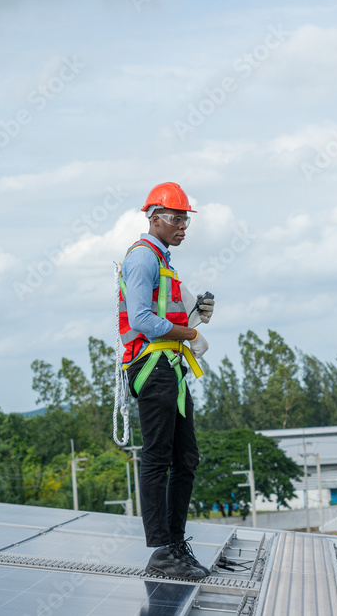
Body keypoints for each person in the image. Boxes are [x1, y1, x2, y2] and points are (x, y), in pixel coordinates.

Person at [118, 181, 215, 580]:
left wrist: (195, 314)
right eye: (176, 218)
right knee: (158, 459)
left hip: (168, 368)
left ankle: (174, 543)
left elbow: (163, 315)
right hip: (153, 368)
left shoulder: (163, 261)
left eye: (185, 219)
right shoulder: (143, 258)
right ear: (154, 218)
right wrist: (191, 335)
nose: (182, 226)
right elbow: (141, 319)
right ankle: (161, 550)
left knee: (186, 458)